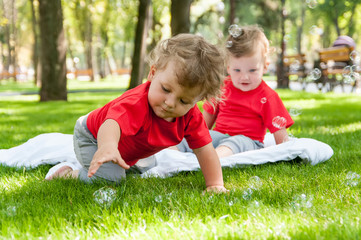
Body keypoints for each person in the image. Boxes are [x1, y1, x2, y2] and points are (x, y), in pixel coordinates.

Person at [47, 33, 228, 193]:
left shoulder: (191, 117)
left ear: (198, 100)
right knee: (111, 180)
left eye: (184, 101)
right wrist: (107, 147)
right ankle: (69, 173)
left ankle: (113, 163)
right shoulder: (135, 103)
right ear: (152, 73)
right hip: (94, 137)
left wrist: (215, 184)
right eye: (165, 89)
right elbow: (111, 125)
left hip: (127, 148)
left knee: (145, 167)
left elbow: (205, 150)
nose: (170, 103)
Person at [177, 25, 294, 158]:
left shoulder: (268, 96)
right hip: (219, 136)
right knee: (187, 137)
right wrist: (198, 137)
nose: (244, 77)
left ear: (265, 66)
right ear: (228, 66)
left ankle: (213, 159)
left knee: (235, 142)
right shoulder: (222, 86)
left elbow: (281, 136)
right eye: (237, 70)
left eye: (252, 70)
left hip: (248, 141)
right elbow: (205, 122)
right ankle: (171, 155)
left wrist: (284, 151)